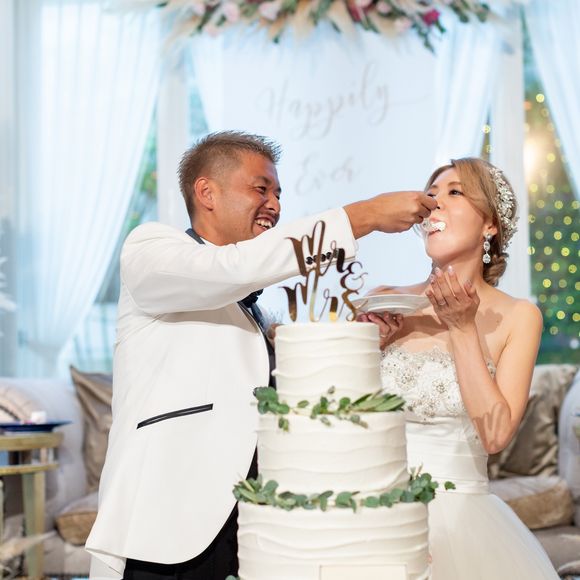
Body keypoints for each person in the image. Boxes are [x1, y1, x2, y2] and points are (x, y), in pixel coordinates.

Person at [85, 130, 438, 579]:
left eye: (278, 194)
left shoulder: (253, 311)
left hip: (251, 526)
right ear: (206, 193)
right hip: (166, 525)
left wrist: (362, 338)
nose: (274, 204)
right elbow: (229, 269)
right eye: (261, 189)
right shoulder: (150, 250)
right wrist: (362, 216)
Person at [361, 157, 558, 579]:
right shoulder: (384, 301)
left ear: (489, 225)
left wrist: (463, 329)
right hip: (370, 509)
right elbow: (334, 415)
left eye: (455, 193)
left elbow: (496, 436)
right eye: (431, 195)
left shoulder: (518, 316)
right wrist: (365, 352)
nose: (436, 205)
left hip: (460, 523)